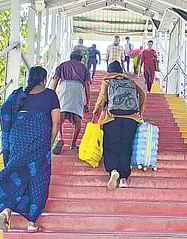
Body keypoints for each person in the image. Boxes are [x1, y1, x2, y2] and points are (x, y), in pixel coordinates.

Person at [0, 66, 60, 232]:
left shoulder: (18, 94)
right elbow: (56, 122)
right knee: (38, 179)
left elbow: (4, 112)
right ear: (43, 79)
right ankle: (32, 223)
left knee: (16, 173)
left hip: (17, 138)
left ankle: (6, 210)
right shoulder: (50, 94)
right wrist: (50, 142)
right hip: (39, 138)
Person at [92, 61, 146, 191]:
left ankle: (113, 170)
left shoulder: (108, 81)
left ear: (109, 71)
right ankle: (123, 179)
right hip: (131, 118)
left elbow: (102, 98)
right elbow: (143, 95)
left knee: (110, 146)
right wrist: (139, 111)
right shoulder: (131, 82)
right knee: (126, 147)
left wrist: (96, 111)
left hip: (111, 118)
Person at [51, 51, 91, 154]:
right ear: (81, 58)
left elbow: (55, 79)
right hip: (78, 89)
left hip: (64, 87)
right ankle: (73, 144)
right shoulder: (84, 67)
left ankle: (61, 137)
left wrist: (51, 94)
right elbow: (87, 84)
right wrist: (88, 101)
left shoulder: (62, 65)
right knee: (78, 119)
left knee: (61, 115)